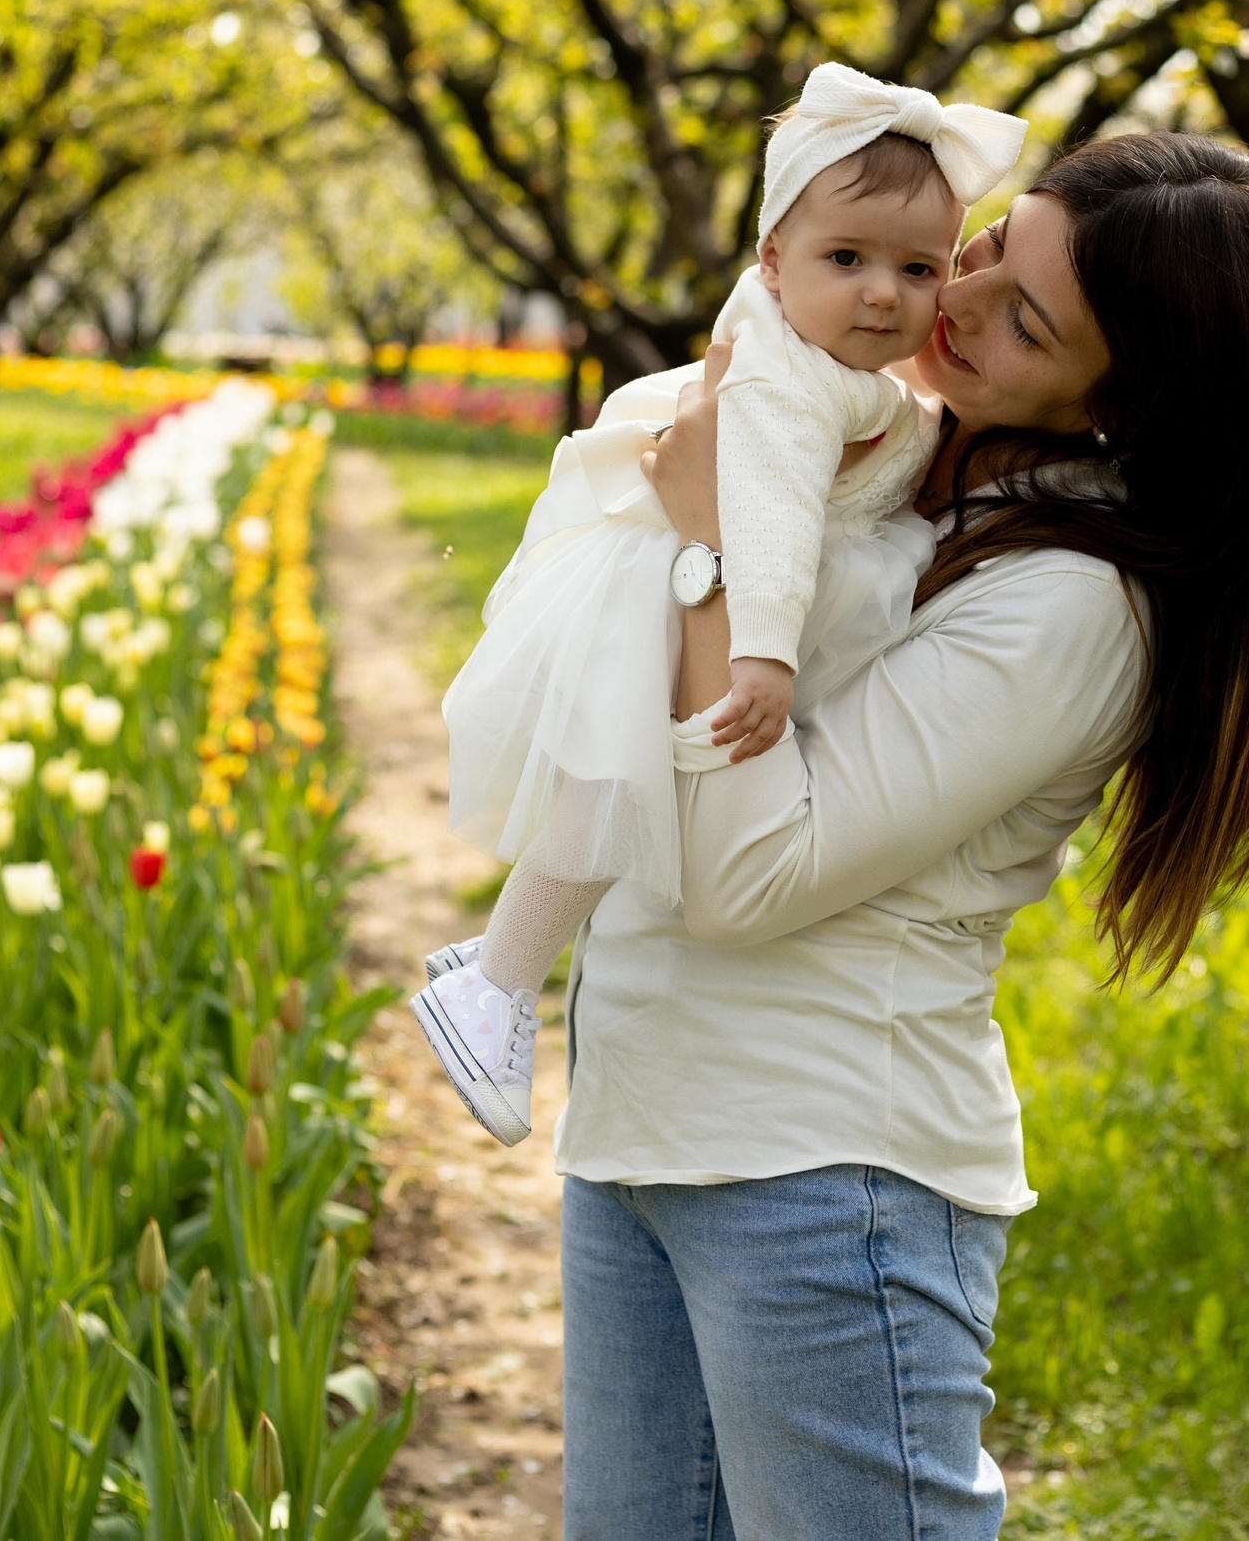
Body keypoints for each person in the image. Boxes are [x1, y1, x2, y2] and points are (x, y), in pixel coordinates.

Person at [559, 130, 1249, 1539]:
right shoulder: (898, 460)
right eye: (983, 250)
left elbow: (749, 875)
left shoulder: (1072, 603)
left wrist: (709, 551)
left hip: (817, 1170)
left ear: (1131, 403)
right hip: (645, 1118)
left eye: (1022, 316)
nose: (949, 303)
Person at [418, 64, 1028, 1145]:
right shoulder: (785, 387)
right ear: (770, 260)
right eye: (847, 260)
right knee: (614, 788)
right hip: (685, 584)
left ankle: (495, 970)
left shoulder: (819, 348)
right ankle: (496, 982)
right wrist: (763, 652)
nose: (884, 294)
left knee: (615, 785)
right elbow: (774, 523)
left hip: (684, 564)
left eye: (918, 268)